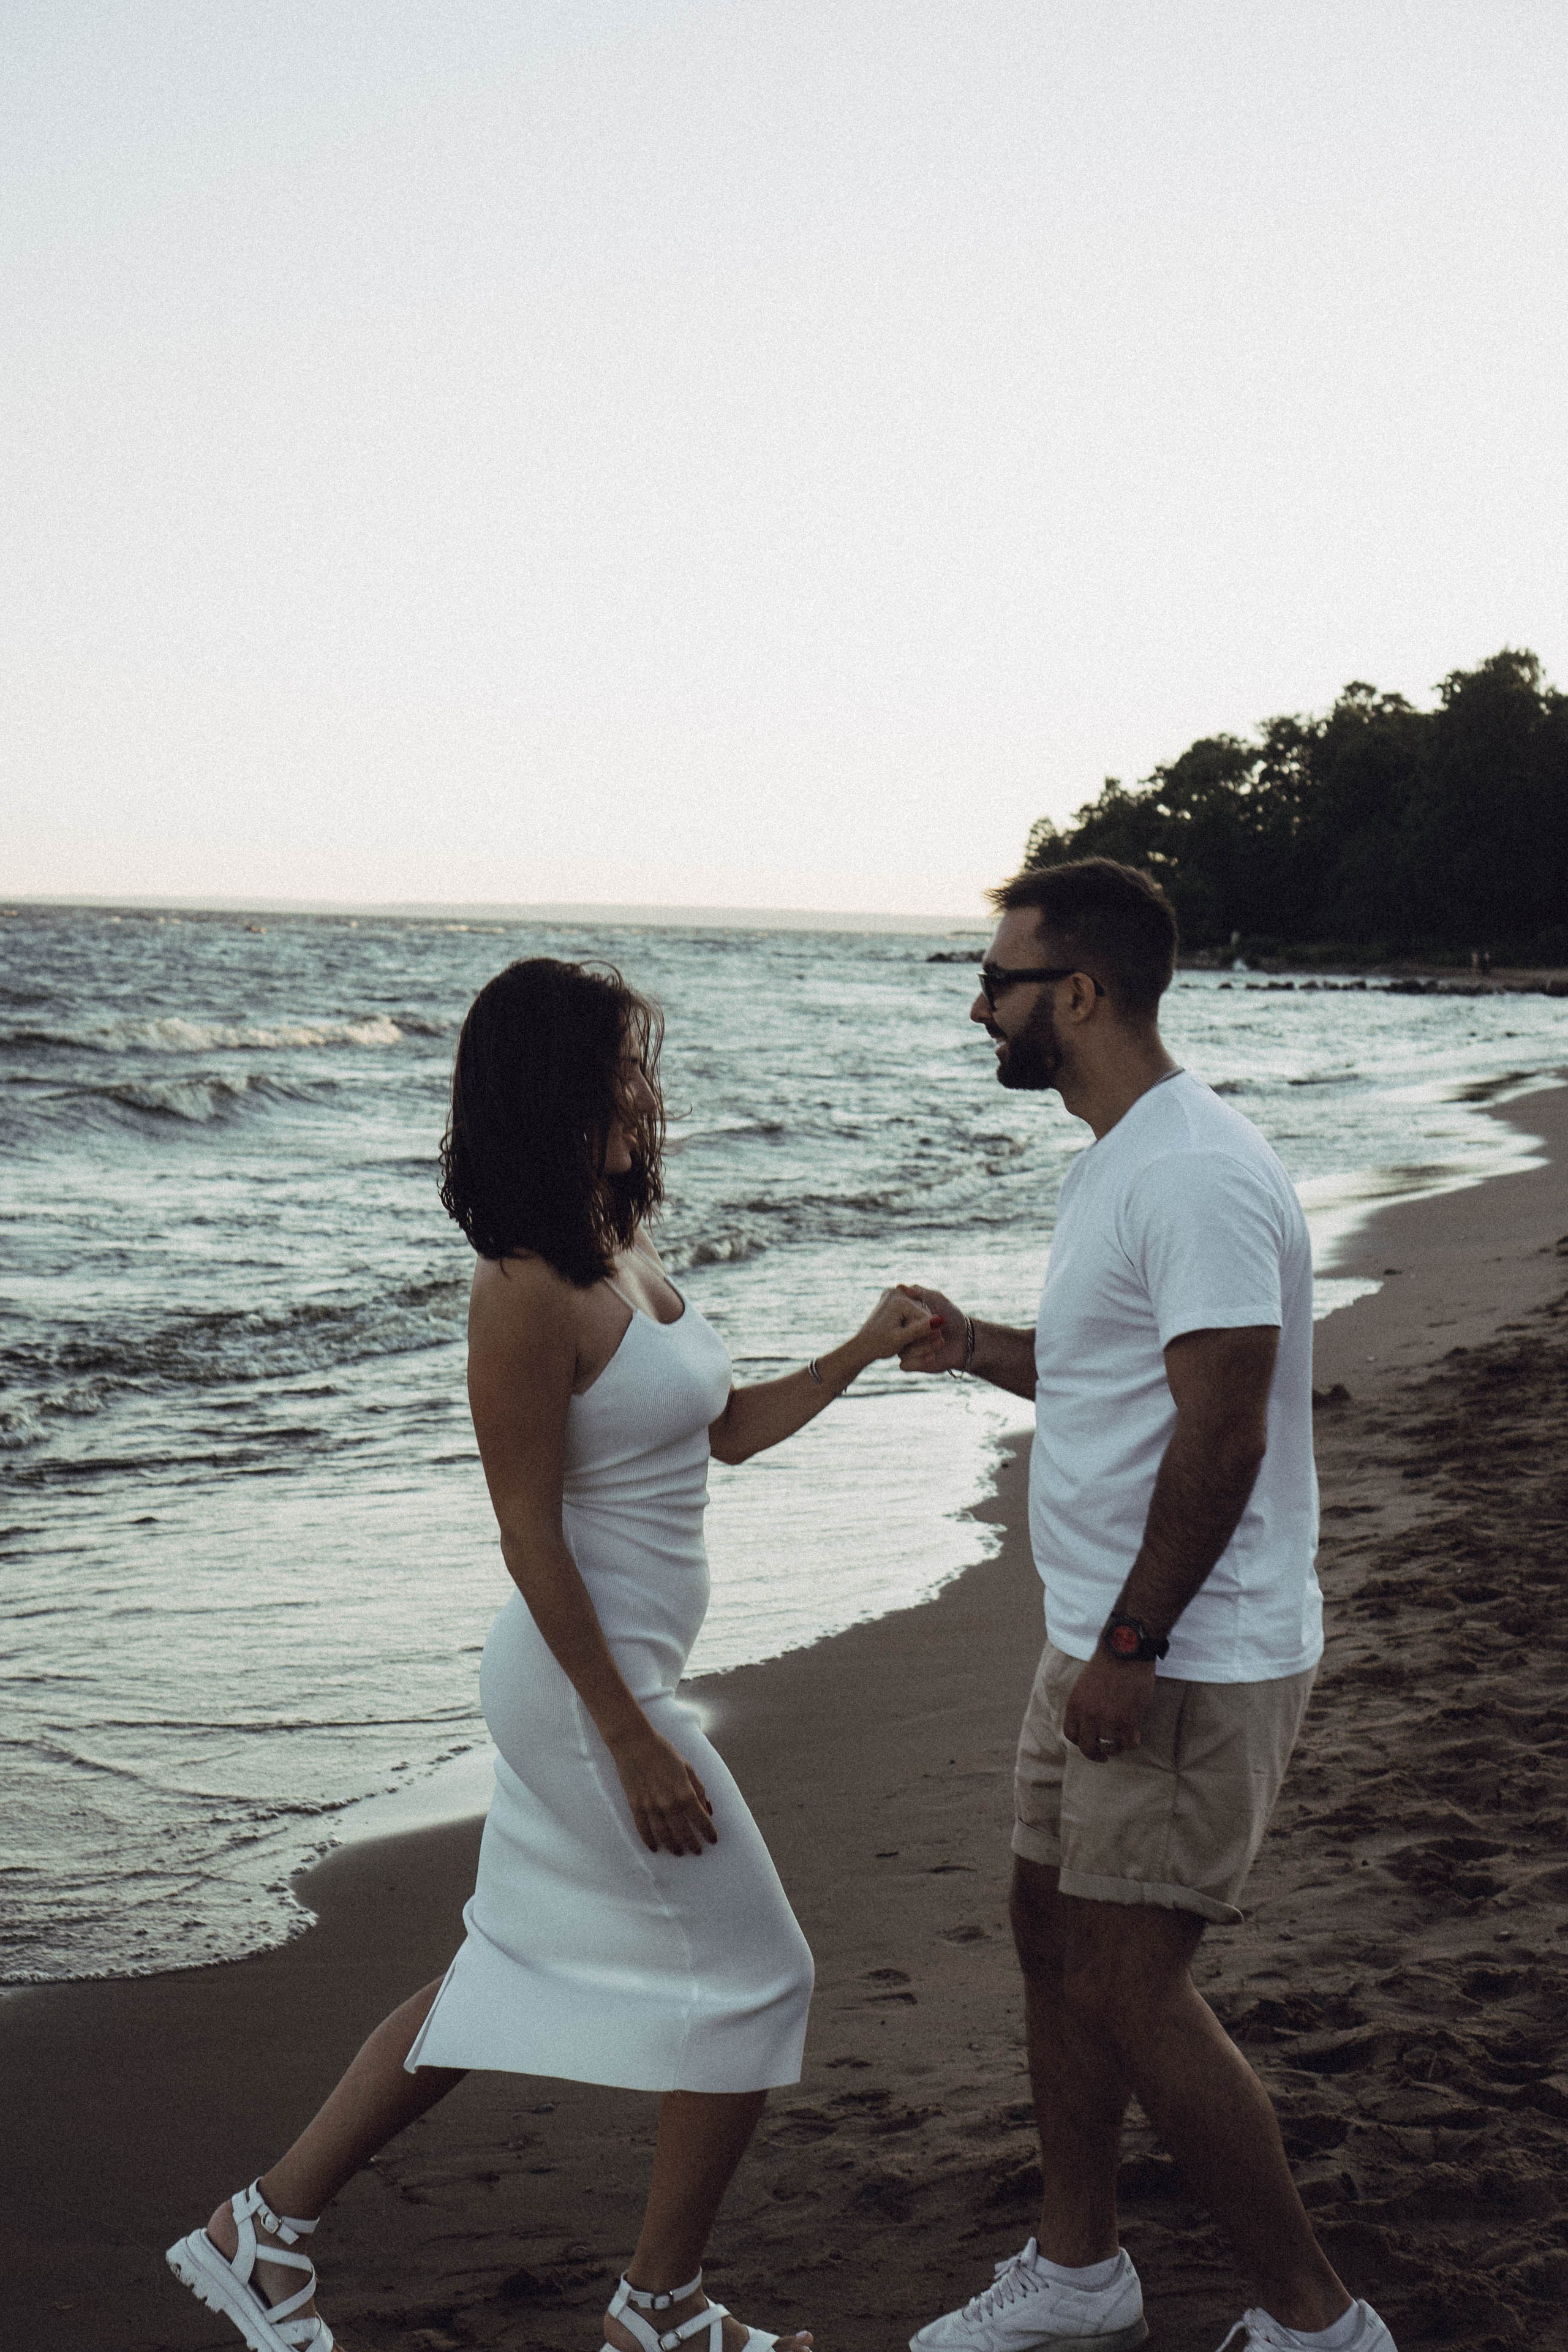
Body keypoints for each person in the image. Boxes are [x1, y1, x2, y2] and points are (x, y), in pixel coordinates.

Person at [167, 955, 934, 2352]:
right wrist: (631, 1736)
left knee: (502, 1971)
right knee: (763, 1977)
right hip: (588, 1694)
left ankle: (261, 2230)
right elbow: (530, 1538)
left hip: (618, 1683)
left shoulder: (621, 1252)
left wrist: (863, 1348)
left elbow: (722, 1434)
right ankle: (659, 2311)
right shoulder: (520, 1285)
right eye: (623, 1071)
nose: (648, 1093)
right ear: (558, 1095)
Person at [895, 861, 1396, 2352]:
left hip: (1180, 1650)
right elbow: (1125, 1377)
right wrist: (972, 1342)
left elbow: (1226, 1429)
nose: (978, 1005)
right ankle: (1077, 2268)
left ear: (1080, 993)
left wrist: (1132, 1643)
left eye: (996, 980)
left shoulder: (1192, 1169)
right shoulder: (1117, 1155)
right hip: (1101, 1634)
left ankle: (1314, 2322)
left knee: (1123, 1978)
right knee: (1048, 1933)